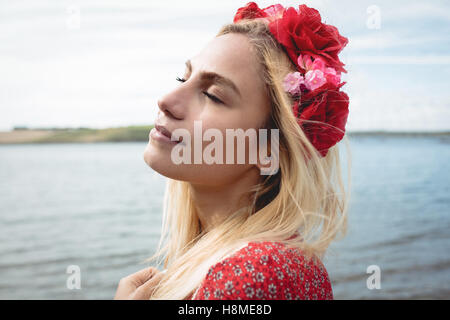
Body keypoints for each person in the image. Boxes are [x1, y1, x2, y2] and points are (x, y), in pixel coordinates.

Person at [115, 2, 350, 300]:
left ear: (269, 150)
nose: (166, 100)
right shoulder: (270, 259)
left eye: (213, 95)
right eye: (182, 78)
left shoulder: (252, 273)